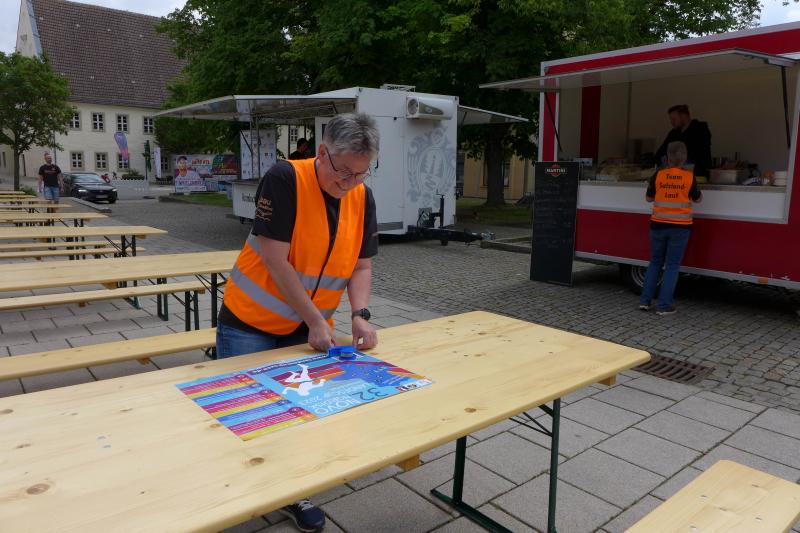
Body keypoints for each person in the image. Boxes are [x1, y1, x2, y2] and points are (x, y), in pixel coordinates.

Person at [216, 113, 379, 533]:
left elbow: (361, 266)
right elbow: (275, 259)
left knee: (296, 413)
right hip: (250, 322)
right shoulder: (284, 177)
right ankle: (231, 493)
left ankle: (292, 490)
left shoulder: (362, 196)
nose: (350, 183)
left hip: (307, 328)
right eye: (343, 171)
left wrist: (359, 315)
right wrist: (316, 320)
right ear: (322, 152)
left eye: (361, 173)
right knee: (244, 414)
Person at [639, 141, 702, 315]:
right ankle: (664, 306)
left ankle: (644, 301)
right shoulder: (689, 177)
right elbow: (697, 199)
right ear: (684, 158)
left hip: (658, 225)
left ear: (667, 158)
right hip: (680, 228)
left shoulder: (658, 174)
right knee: (672, 266)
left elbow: (648, 198)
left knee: (655, 262)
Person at [654, 105, 712, 178]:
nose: (671, 122)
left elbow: (700, 154)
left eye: (674, 119)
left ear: (684, 116)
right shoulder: (673, 133)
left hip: (697, 176)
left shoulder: (700, 130)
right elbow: (661, 152)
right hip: (676, 177)